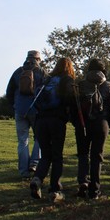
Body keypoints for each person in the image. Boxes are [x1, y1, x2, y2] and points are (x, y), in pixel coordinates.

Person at [30, 57, 77, 202]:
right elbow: (71, 100)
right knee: (57, 155)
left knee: (45, 155)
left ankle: (37, 180)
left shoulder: (47, 80)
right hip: (56, 120)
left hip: (41, 120)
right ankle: (55, 189)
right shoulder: (66, 80)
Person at [73, 59, 110, 199]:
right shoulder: (108, 85)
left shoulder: (80, 85)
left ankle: (83, 182)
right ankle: (95, 190)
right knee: (97, 156)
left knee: (83, 154)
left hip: (83, 123)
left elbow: (73, 106)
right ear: (103, 70)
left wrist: (76, 122)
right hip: (101, 123)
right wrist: (109, 123)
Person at [6, 50, 46, 179]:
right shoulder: (42, 72)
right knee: (39, 137)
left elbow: (9, 91)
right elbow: (47, 91)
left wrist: (15, 105)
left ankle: (23, 172)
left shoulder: (18, 71)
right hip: (36, 110)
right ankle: (34, 164)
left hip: (20, 110)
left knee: (23, 141)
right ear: (38, 59)